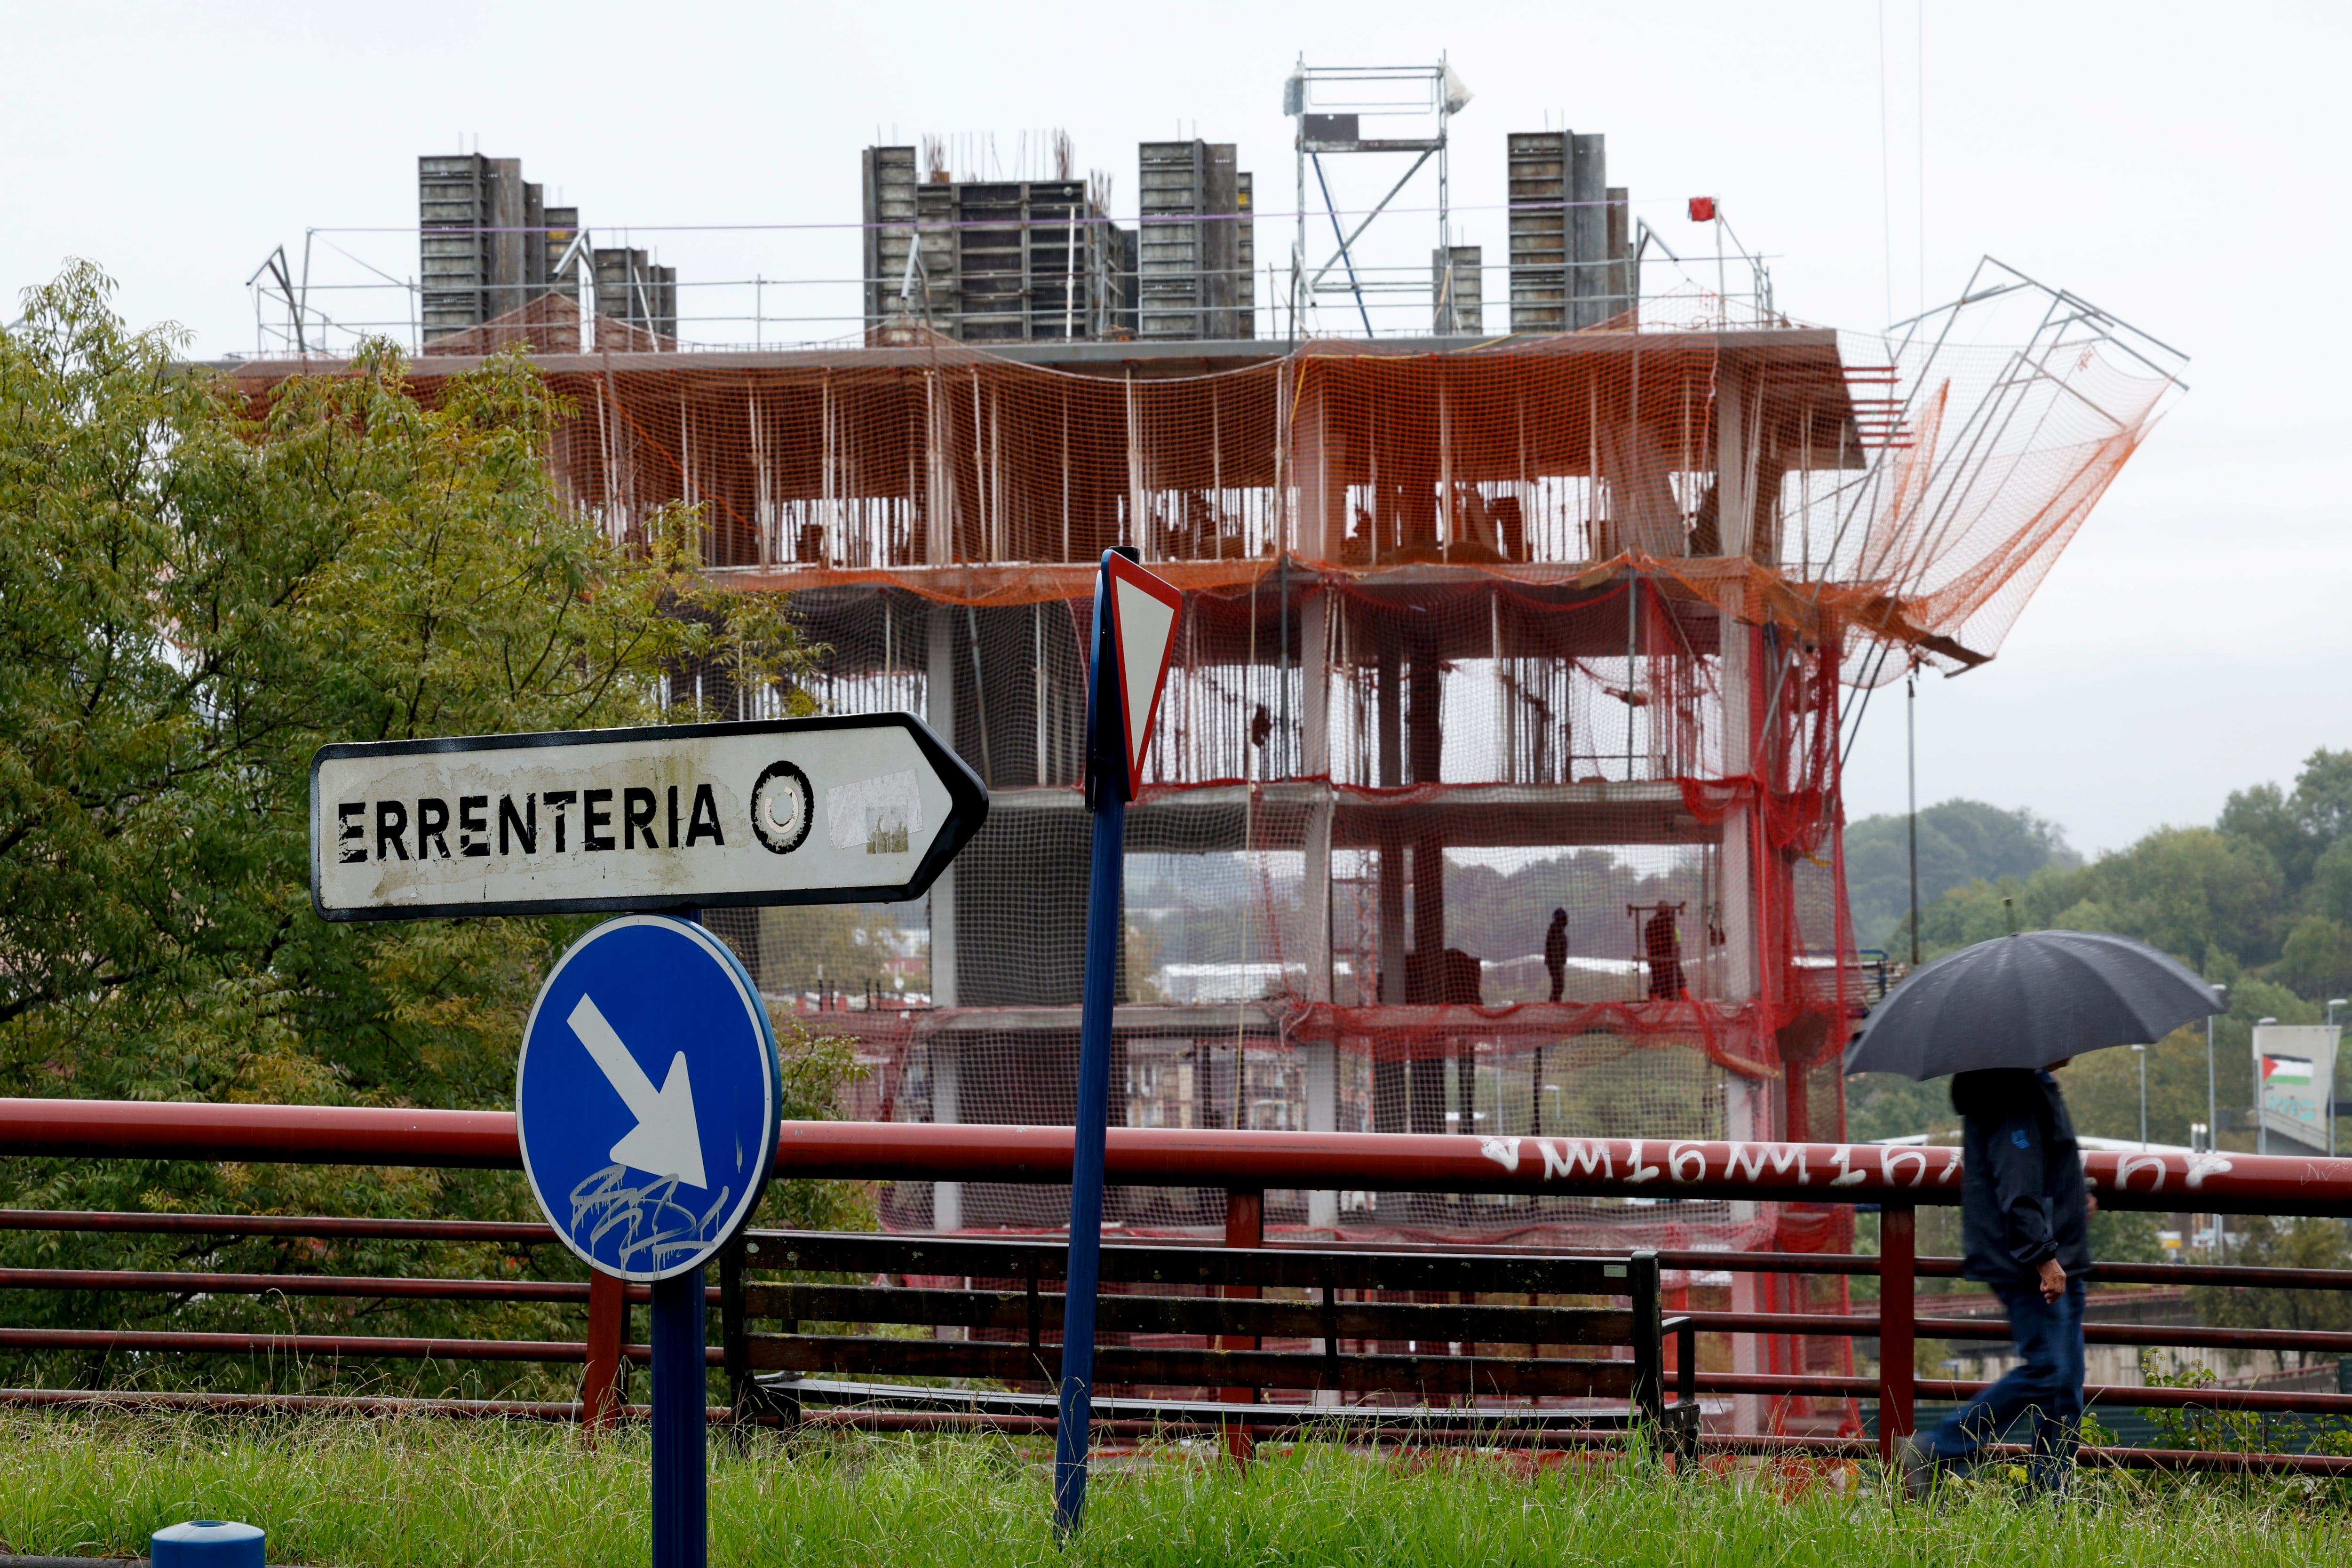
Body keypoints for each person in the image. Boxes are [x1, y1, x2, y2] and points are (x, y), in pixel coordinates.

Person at [1901, 1063, 2090, 1497]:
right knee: (2049, 1374)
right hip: (2032, 1261)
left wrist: (2074, 1198)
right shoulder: (2012, 1088)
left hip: (2055, 1251)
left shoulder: (2028, 1081)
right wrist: (2042, 1256)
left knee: (2064, 1385)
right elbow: (2018, 1176)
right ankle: (1936, 1449)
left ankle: (2049, 1499)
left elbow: (2040, 1163)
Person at [1543, 908, 1569, 1003]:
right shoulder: (1556, 932)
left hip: (1556, 963)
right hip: (1556, 963)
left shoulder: (1556, 931)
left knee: (1558, 986)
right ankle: (1554, 1004)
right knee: (1559, 986)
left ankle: (1555, 1003)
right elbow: (1555, 950)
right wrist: (1557, 965)